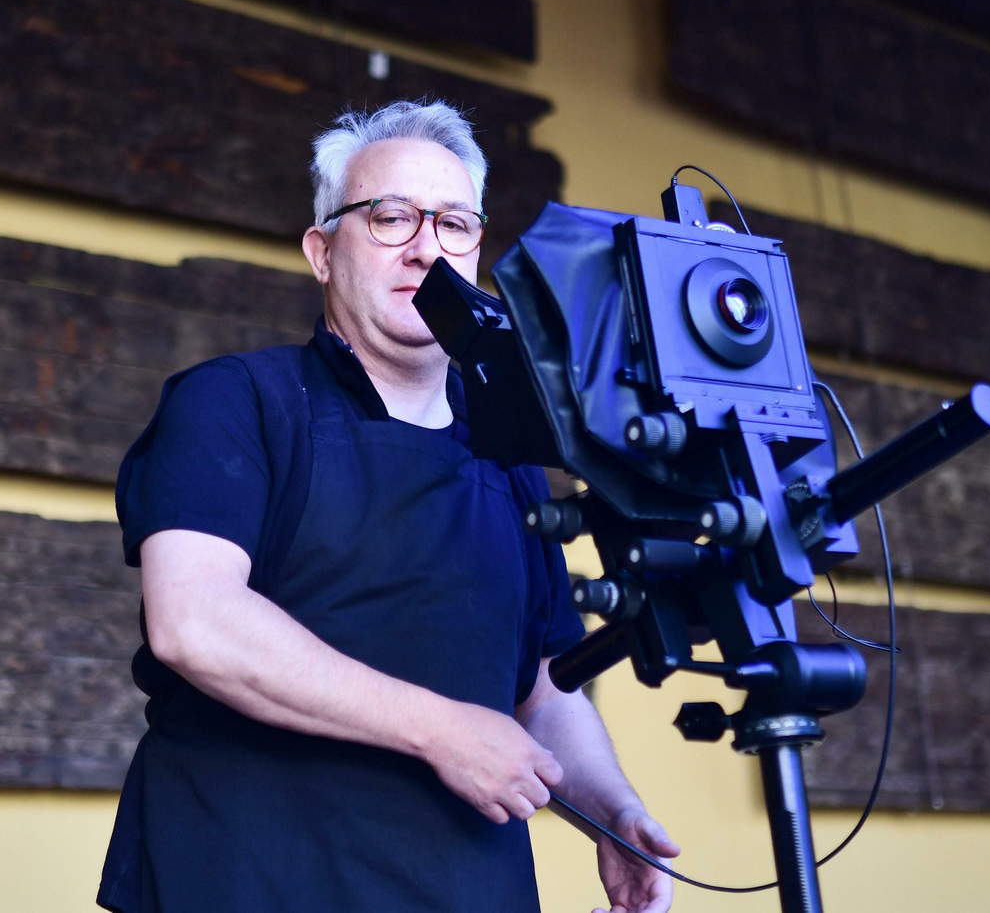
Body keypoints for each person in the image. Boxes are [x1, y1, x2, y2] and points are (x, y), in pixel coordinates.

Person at [97, 100, 679, 913]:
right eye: (391, 218)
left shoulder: (509, 459)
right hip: (249, 878)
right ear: (322, 251)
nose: (425, 251)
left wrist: (613, 815)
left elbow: (544, 689)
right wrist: (441, 729)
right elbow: (195, 623)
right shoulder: (239, 401)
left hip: (466, 887)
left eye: (453, 226)